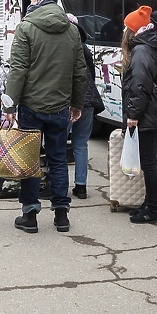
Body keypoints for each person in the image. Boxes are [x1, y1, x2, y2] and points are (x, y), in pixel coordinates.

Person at [3, 0, 86, 234]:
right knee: (58, 159)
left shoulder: (26, 27)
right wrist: (76, 104)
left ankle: (30, 216)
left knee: (29, 161)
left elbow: (18, 69)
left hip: (31, 106)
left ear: (39, 1)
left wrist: (9, 105)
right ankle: (62, 216)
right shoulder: (72, 31)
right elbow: (79, 72)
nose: (30, 2)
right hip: (60, 107)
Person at [119, 5, 157, 223]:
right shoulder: (149, 47)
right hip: (151, 112)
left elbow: (139, 87)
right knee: (148, 161)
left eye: (125, 28)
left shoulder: (140, 51)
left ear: (133, 30)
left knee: (149, 162)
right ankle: (149, 203)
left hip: (145, 115)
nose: (123, 32)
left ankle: (152, 209)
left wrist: (132, 115)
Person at [66, 13, 95, 200]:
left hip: (68, 100)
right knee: (81, 144)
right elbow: (91, 75)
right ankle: (81, 186)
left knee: (59, 142)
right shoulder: (85, 47)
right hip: (88, 100)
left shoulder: (65, 46)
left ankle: (57, 184)